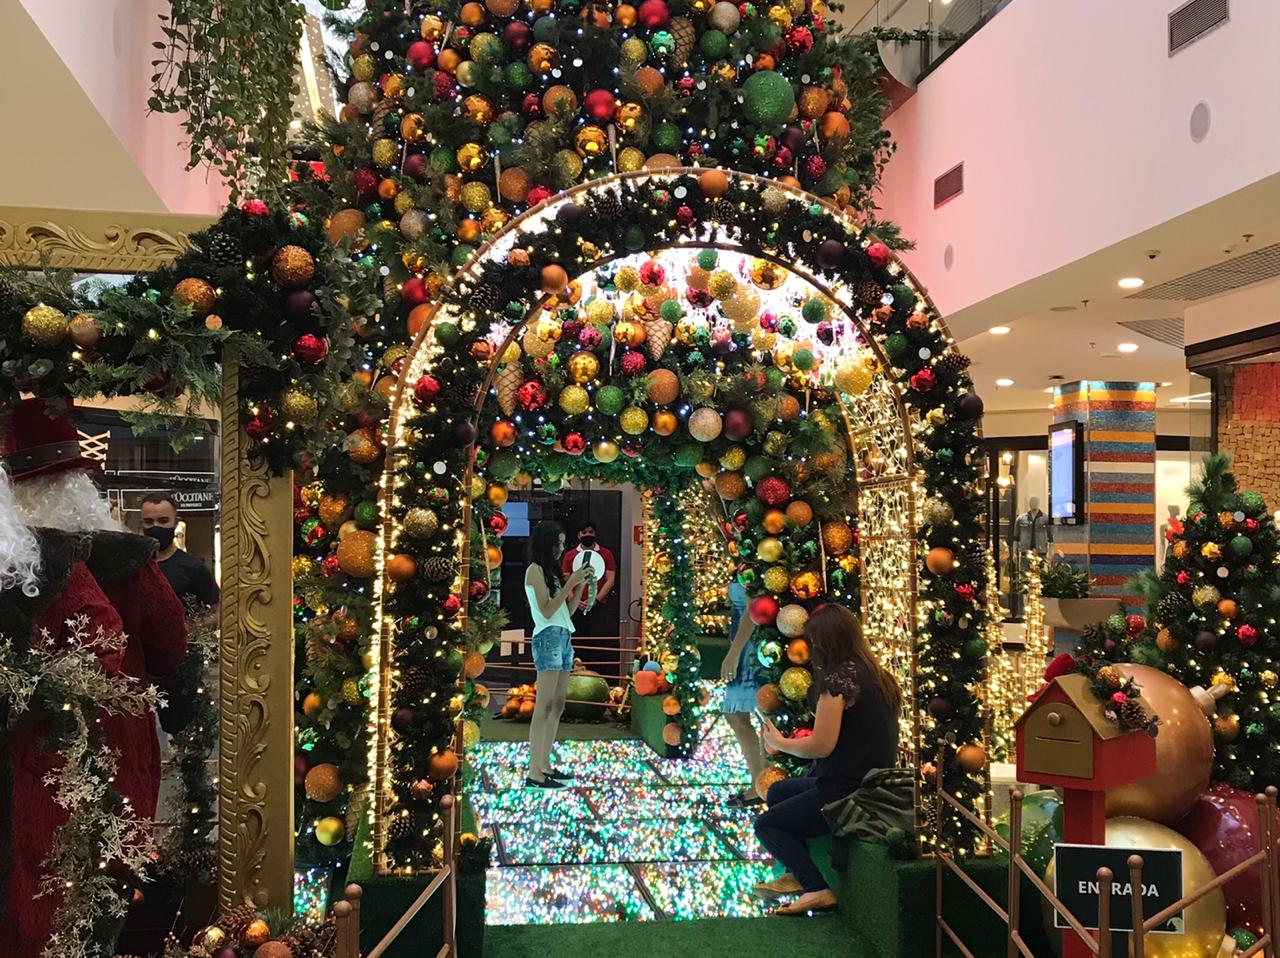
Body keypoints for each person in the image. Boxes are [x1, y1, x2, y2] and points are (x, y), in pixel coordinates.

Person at [752, 604, 900, 916]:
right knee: (778, 792)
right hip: (874, 783)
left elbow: (822, 745)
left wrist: (780, 742)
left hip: (850, 791)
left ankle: (815, 887)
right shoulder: (876, 674)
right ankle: (798, 868)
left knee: (766, 825)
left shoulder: (838, 681)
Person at [524, 520, 591, 789]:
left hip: (563, 636)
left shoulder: (550, 573)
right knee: (544, 705)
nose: (562, 548)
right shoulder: (534, 571)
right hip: (548, 636)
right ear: (546, 542)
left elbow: (568, 610)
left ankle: (544, 765)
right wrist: (570, 582)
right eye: (559, 542)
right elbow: (547, 609)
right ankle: (534, 771)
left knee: (558, 705)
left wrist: (580, 587)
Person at [720, 576, 765, 806]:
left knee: (749, 713)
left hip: (752, 646)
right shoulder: (740, 556)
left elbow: (754, 609)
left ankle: (762, 783)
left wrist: (735, 652)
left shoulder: (752, 555)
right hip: (745, 641)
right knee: (740, 715)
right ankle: (760, 781)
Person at [140, 492, 220, 605]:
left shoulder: (193, 568)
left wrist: (194, 623)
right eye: (149, 522)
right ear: (141, 524)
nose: (156, 526)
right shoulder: (133, 567)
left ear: (176, 523)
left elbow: (217, 611)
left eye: (163, 521)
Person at [560, 520, 617, 669]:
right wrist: (575, 600)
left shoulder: (606, 554)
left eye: (591, 532)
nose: (588, 535)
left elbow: (610, 579)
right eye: (584, 533)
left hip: (599, 607)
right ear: (579, 535)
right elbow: (566, 580)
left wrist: (595, 599)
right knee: (577, 640)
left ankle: (598, 673)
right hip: (576, 608)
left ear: (595, 534)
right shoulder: (570, 556)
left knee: (598, 641)